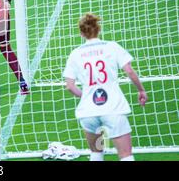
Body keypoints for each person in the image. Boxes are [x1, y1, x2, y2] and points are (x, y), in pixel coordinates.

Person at [63, 13, 148, 161]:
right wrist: (141, 90)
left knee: (96, 153)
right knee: (125, 156)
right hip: (113, 110)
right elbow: (129, 70)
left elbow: (69, 86)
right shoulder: (112, 47)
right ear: (98, 29)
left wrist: (87, 96)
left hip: (89, 113)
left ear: (81, 33)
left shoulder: (75, 54)